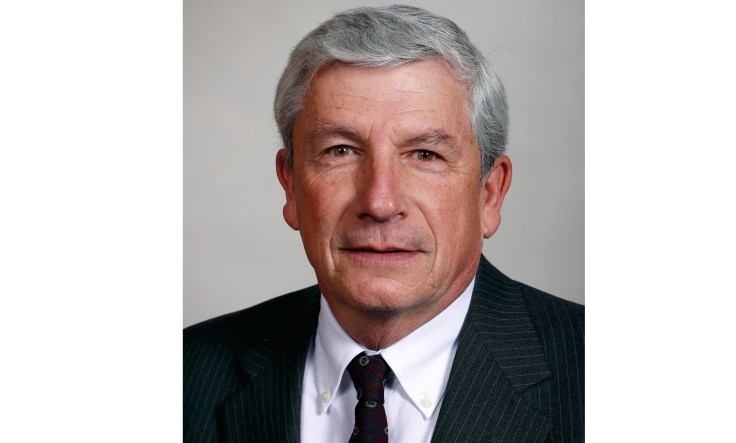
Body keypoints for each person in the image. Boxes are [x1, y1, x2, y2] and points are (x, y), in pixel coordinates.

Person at [184, 5, 583, 443]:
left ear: (489, 193)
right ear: (292, 186)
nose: (379, 201)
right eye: (340, 150)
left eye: (425, 155)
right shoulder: (185, 377)